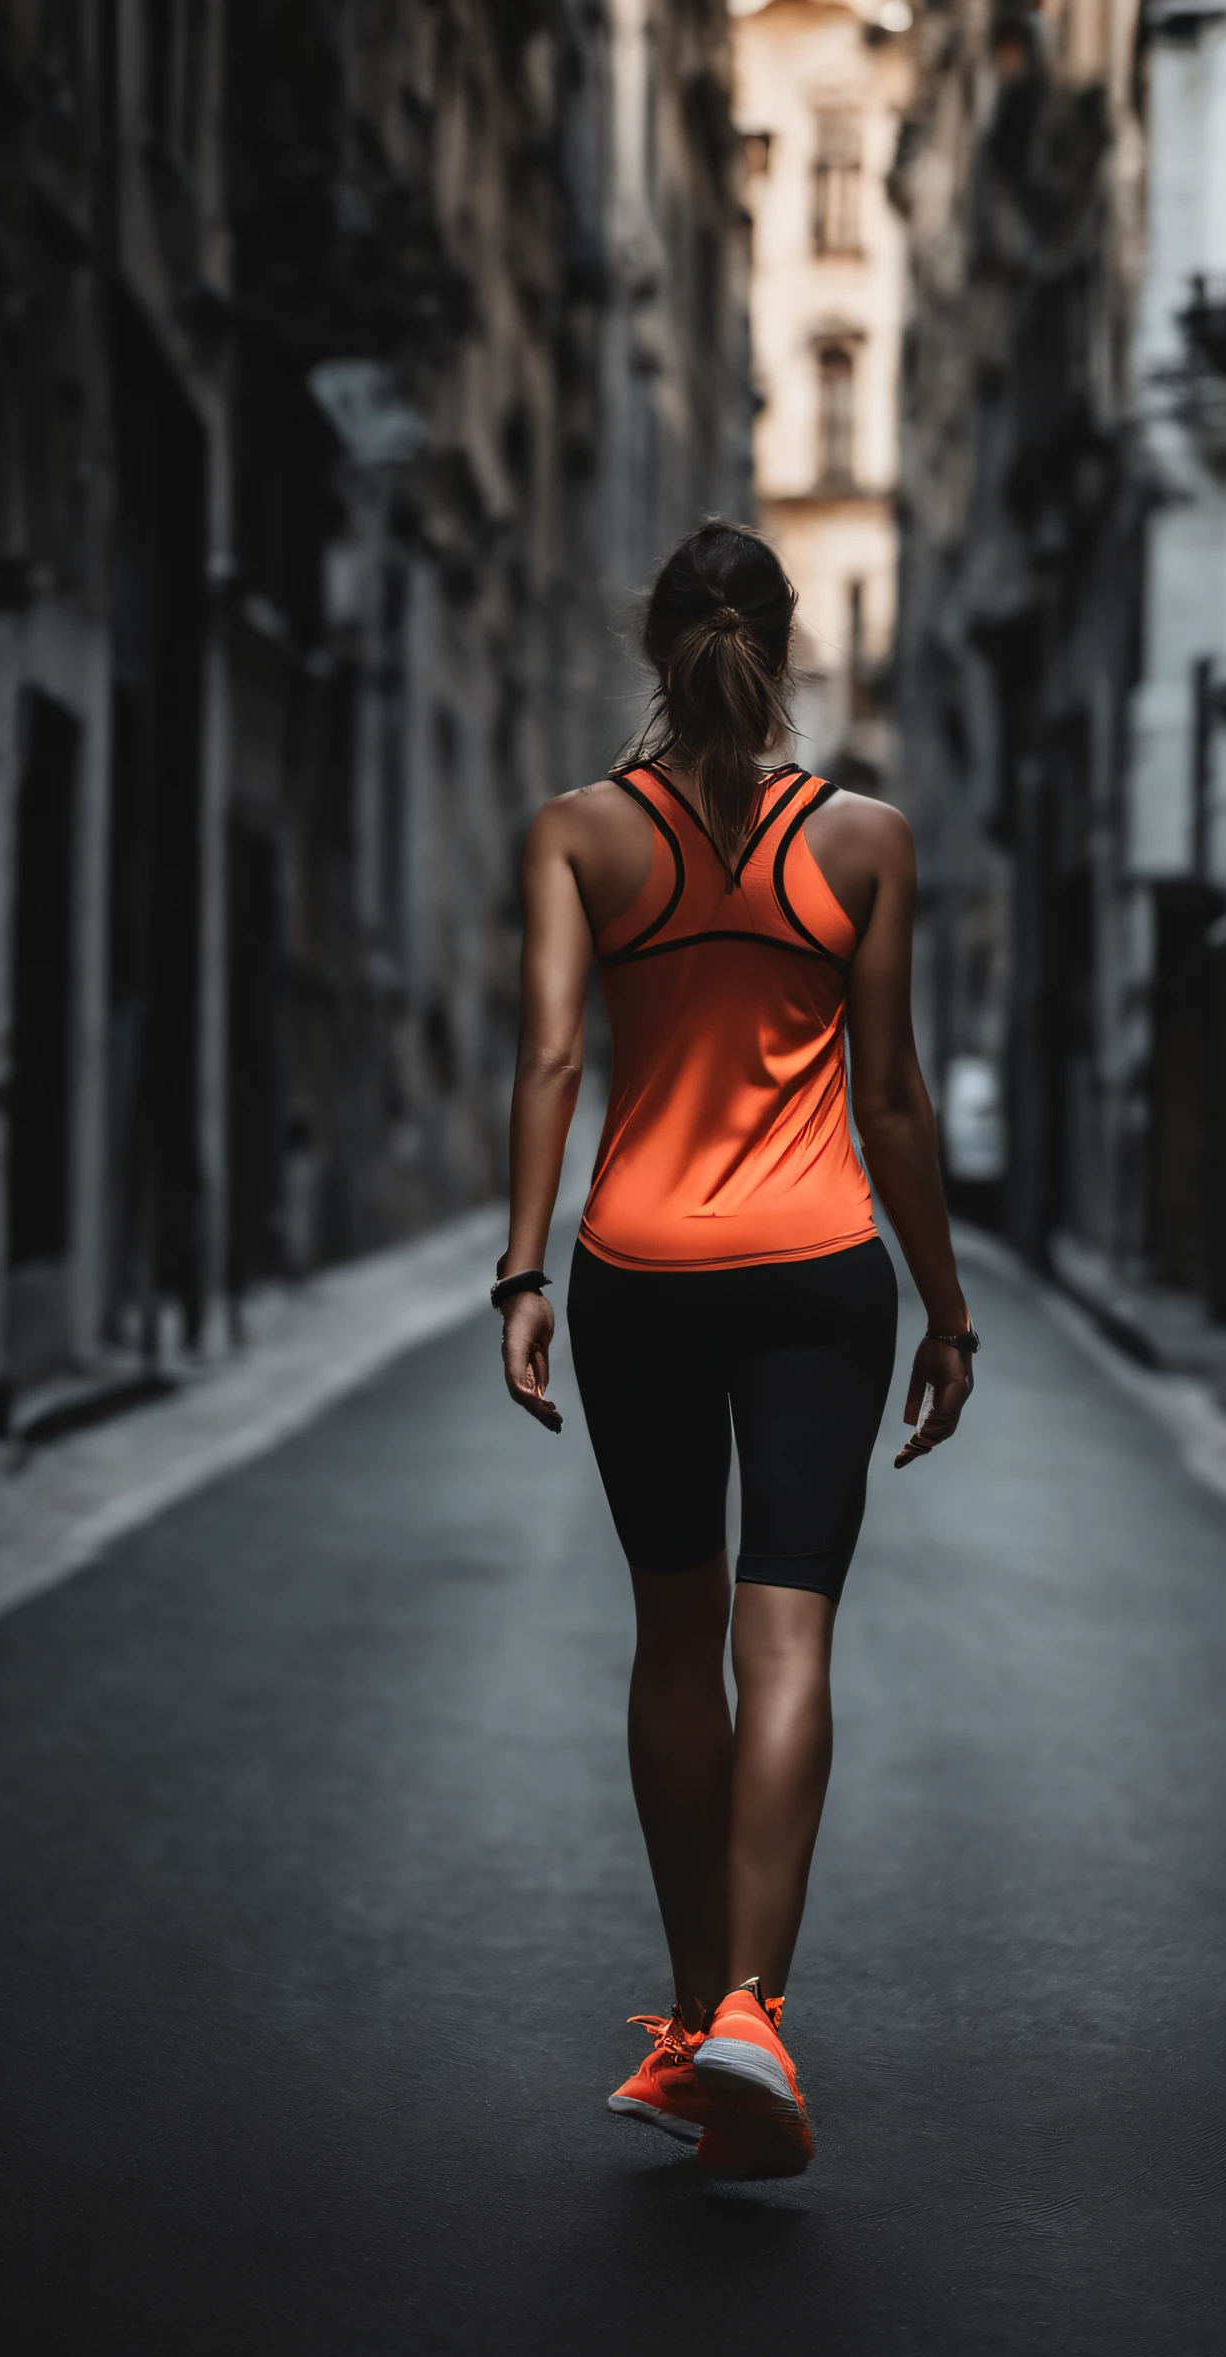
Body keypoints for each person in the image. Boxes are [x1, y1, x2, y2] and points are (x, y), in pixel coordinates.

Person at [492, 520, 976, 2180]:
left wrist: (521, 1273)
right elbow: (894, 1100)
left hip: (635, 1270)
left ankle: (701, 2024)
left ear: (657, 646)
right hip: (819, 1276)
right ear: (785, 655)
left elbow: (553, 1062)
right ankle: (756, 2017)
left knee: (669, 1638)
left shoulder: (577, 836)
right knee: (788, 1648)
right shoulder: (866, 843)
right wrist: (951, 1309)